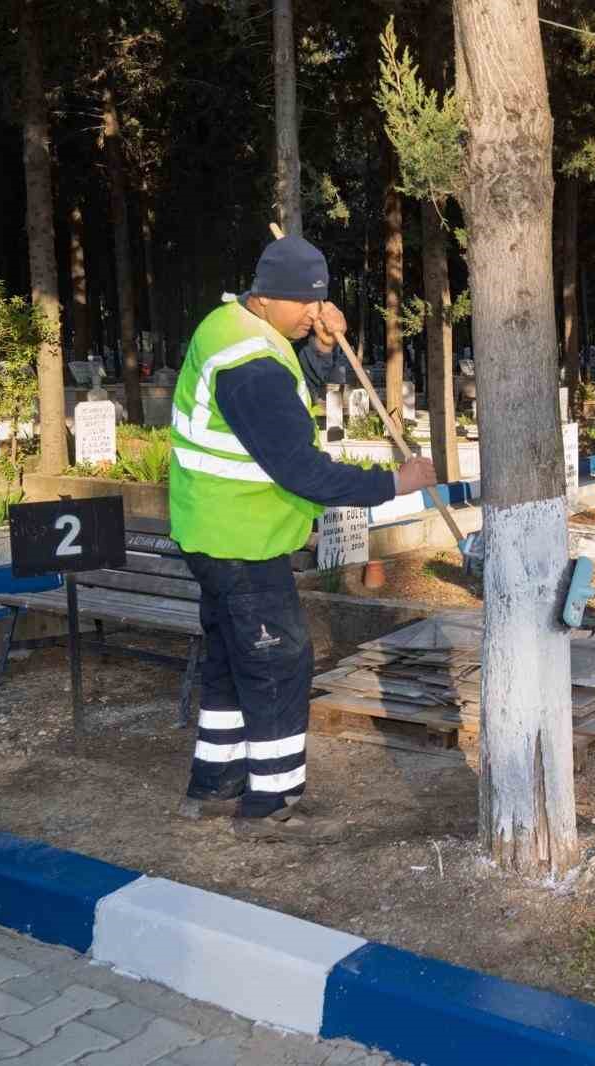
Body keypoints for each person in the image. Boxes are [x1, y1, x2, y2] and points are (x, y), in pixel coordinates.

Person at [168, 235, 435, 844]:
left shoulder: (233, 327)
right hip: (241, 538)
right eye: (305, 308)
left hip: (212, 527)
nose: (315, 316)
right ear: (264, 298)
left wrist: (317, 347)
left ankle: (215, 783)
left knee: (233, 661)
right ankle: (273, 799)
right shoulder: (250, 366)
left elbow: (290, 391)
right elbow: (301, 468)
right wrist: (396, 480)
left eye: (321, 306)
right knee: (279, 662)